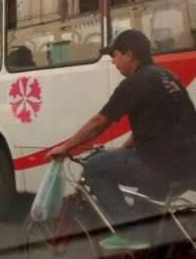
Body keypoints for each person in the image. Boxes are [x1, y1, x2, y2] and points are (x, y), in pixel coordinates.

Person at [46, 29, 196, 251]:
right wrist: (121, 151)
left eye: (114, 55)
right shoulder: (167, 76)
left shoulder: (135, 82)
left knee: (93, 167)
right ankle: (149, 240)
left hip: (160, 164)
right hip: (188, 165)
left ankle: (132, 232)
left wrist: (66, 146)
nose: (113, 62)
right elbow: (157, 124)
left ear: (129, 54)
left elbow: (99, 123)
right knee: (146, 200)